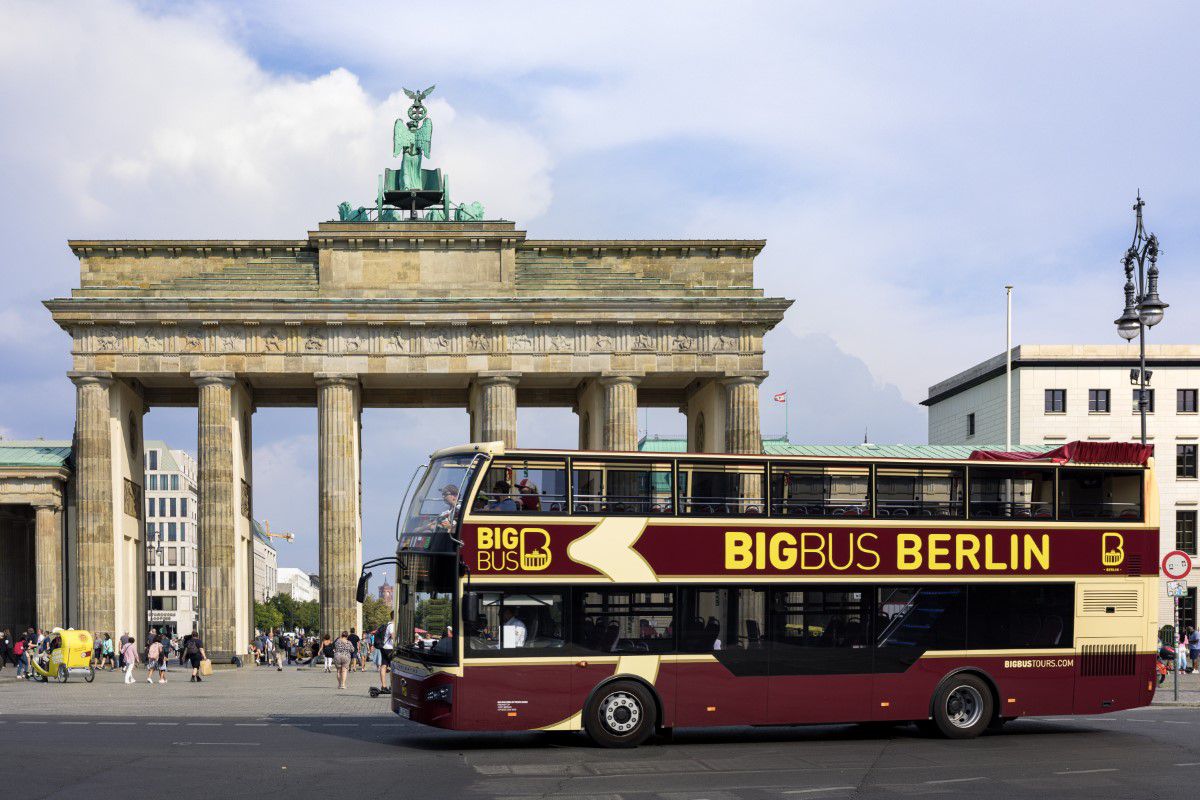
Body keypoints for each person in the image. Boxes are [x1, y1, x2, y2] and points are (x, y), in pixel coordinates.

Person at [374, 614, 395, 694]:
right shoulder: (392, 625)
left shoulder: (387, 624)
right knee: (394, 667)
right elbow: (393, 636)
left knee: (384, 665)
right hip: (390, 648)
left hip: (384, 647)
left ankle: (384, 686)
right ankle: (393, 686)